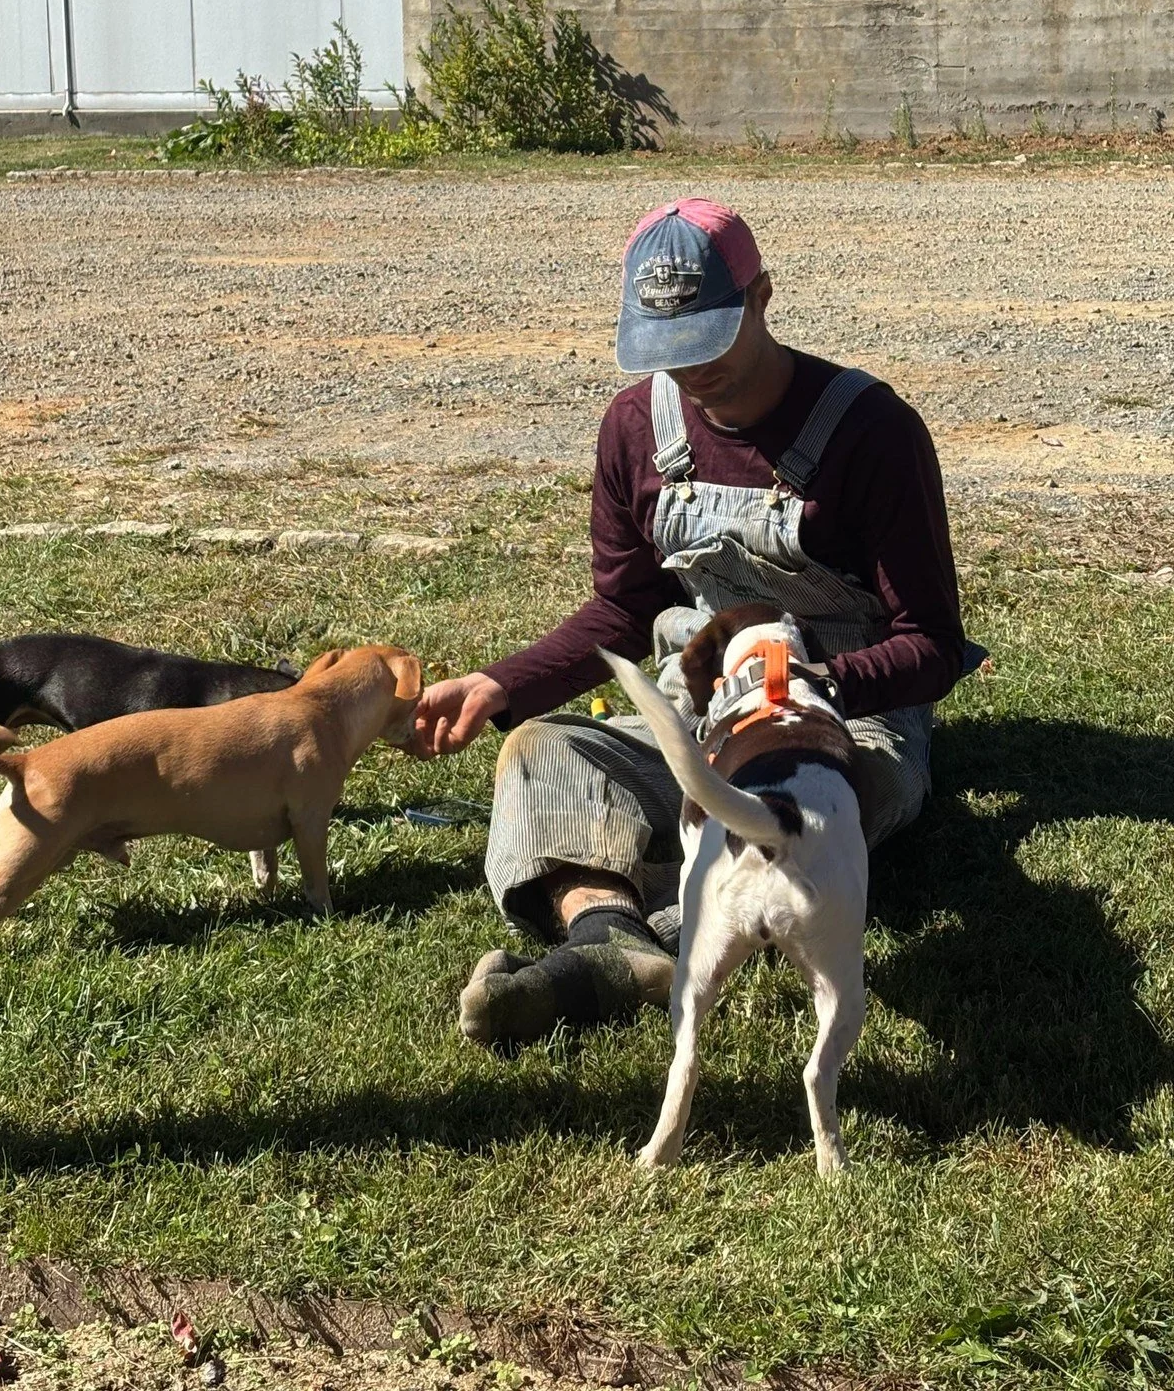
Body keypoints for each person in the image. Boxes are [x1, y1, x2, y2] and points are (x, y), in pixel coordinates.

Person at [413, 198, 981, 1048]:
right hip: (707, 710)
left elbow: (932, 642)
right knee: (542, 755)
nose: (689, 369)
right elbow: (623, 607)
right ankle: (609, 935)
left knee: (788, 805)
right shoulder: (634, 429)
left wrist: (814, 684)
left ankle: (631, 941)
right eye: (664, 349)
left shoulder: (873, 432)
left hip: (845, 726)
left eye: (709, 338)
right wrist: (503, 685)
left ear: (762, 298)